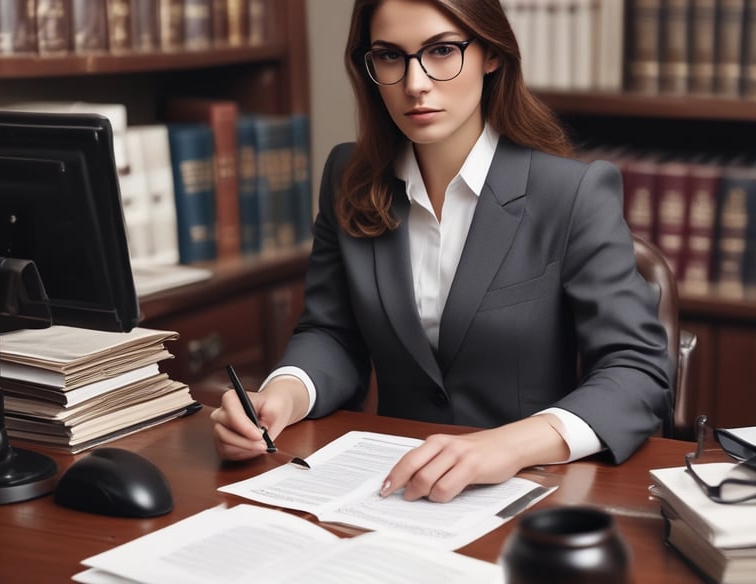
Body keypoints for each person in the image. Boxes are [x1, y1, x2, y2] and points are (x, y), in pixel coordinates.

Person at [211, 0, 672, 503]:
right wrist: (283, 395)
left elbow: (637, 368)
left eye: (442, 51)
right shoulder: (348, 176)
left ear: (490, 55)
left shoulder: (572, 192)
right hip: (387, 487)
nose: (415, 83)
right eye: (390, 56)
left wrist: (510, 445)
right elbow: (332, 332)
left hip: (533, 492)